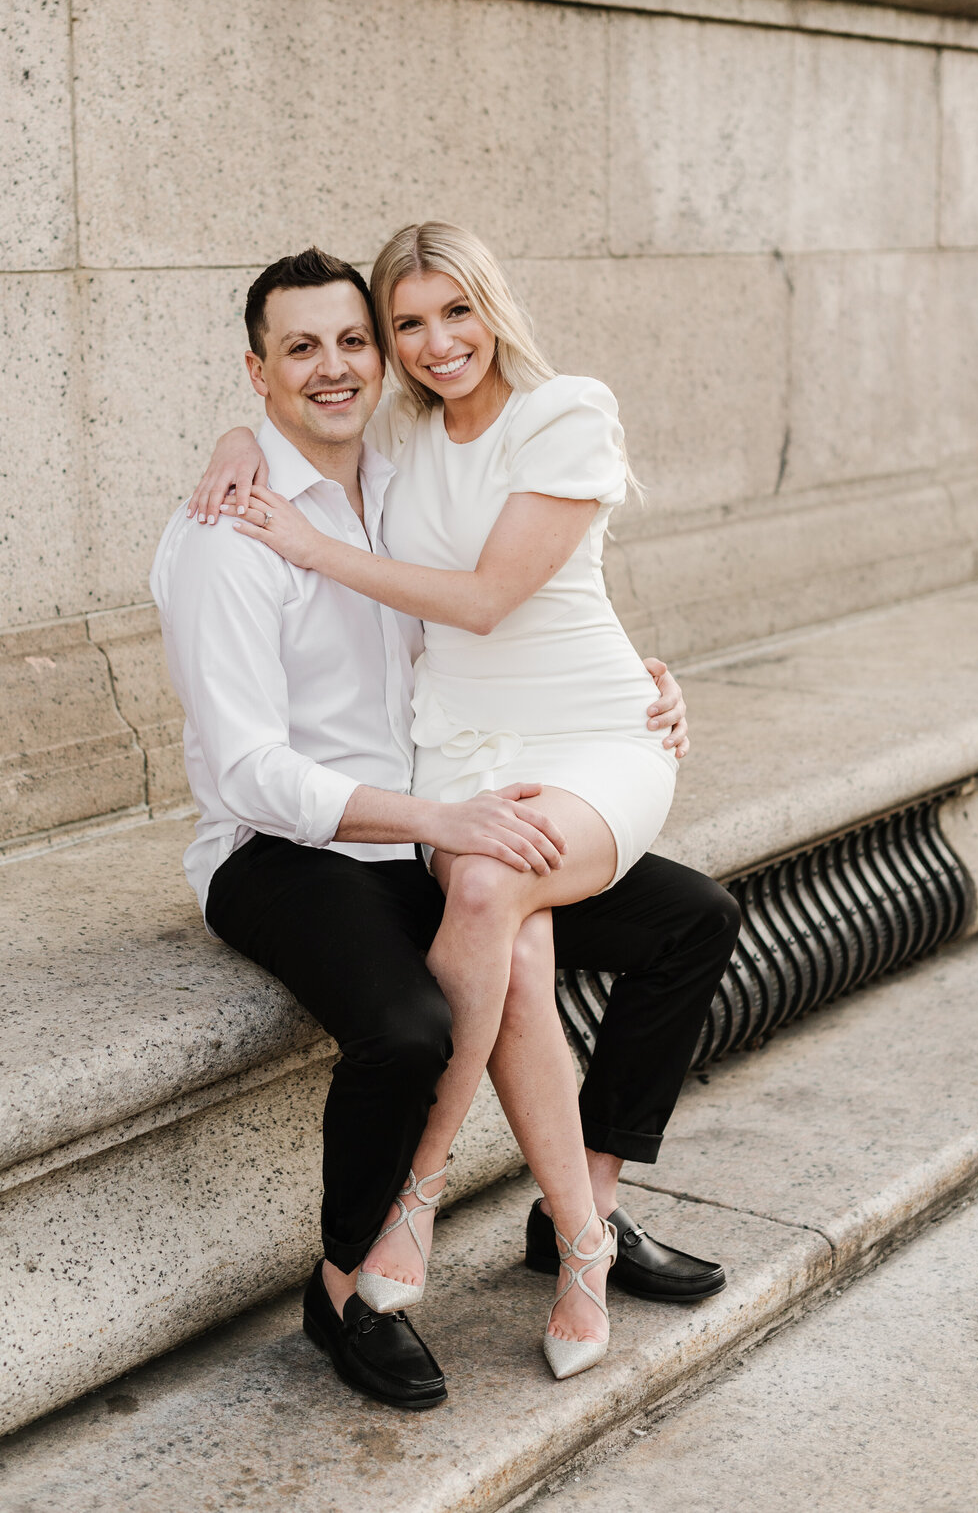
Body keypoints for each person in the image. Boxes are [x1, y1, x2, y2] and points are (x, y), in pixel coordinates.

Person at [186, 230, 740, 1386]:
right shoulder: (229, 537)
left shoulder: (393, 460)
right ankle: (348, 1288)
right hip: (298, 841)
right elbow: (248, 772)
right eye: (305, 349)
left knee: (690, 917)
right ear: (257, 368)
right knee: (415, 1022)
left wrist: (644, 682)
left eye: (354, 341)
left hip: (452, 802)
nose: (343, 363)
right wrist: (246, 446)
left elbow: (513, 591)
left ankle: (579, 1211)